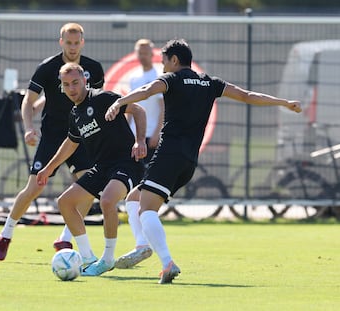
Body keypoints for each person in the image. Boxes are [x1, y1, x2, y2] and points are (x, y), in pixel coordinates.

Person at [105, 38, 302, 284]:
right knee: (134, 198)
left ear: (174, 60)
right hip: (189, 161)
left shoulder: (171, 79)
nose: (163, 66)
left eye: (164, 61)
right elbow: (247, 95)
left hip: (169, 155)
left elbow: (146, 91)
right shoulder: (209, 83)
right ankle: (143, 245)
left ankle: (167, 263)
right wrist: (283, 102)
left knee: (146, 210)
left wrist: (119, 101)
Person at [0, 23, 105, 261]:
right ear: (60, 41)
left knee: (88, 188)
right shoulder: (47, 67)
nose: (72, 47)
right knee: (35, 187)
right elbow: (28, 101)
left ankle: (65, 237)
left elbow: (95, 102)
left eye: (76, 43)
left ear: (82, 43)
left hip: (81, 135)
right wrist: (29, 128)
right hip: (53, 136)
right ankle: (6, 234)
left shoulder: (93, 68)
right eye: (68, 42)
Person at [36, 63, 147, 276]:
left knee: (107, 200)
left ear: (85, 80)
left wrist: (140, 141)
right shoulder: (75, 114)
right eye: (66, 85)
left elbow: (138, 109)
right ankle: (88, 258)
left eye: (75, 83)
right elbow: (71, 142)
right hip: (101, 168)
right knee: (65, 202)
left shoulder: (103, 98)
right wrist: (48, 168)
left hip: (126, 163)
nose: (71, 89)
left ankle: (107, 259)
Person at [114, 39, 164, 269]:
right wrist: (126, 134)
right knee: (136, 188)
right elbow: (131, 110)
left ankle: (144, 236)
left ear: (151, 54)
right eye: (139, 51)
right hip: (136, 139)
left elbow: (162, 108)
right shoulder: (133, 79)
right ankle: (142, 235)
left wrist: (155, 133)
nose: (142, 55)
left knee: (144, 188)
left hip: (150, 137)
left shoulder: (158, 76)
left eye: (146, 51)